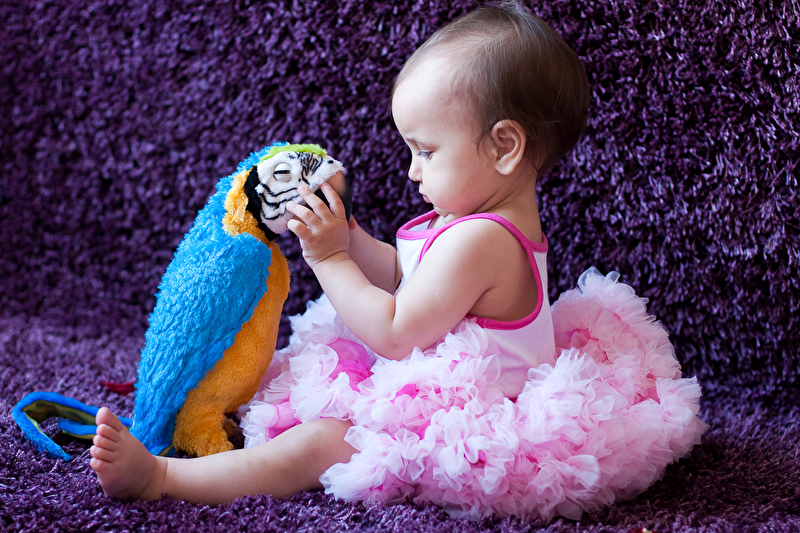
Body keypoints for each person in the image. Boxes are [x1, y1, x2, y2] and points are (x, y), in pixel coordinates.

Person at [90, 3, 704, 520]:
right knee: (285, 388)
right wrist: (351, 237)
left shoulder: (483, 240)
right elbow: (407, 279)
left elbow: (395, 331)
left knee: (319, 444)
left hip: (470, 430)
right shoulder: (464, 222)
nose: (411, 170)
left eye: (426, 151)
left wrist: (329, 256)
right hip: (436, 387)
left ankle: (163, 478)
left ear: (505, 147)